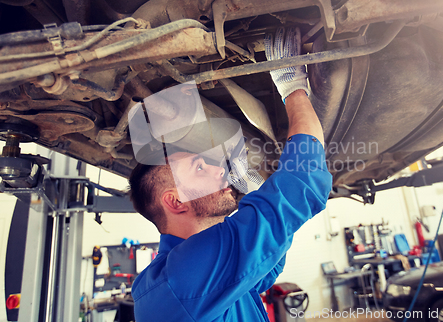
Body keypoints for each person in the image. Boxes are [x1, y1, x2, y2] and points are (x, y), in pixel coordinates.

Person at [128, 27, 332, 321]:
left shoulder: (185, 279)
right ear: (175, 202)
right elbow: (303, 180)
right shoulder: (181, 282)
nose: (218, 169)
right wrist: (292, 87)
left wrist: (259, 195)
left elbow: (265, 268)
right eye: (200, 168)